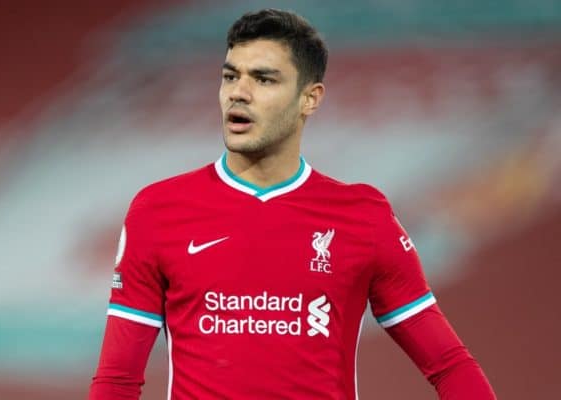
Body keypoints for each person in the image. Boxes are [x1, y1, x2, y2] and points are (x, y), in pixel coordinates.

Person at [89, 8, 496, 400]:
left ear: (310, 98)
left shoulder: (362, 216)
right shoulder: (159, 210)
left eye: (264, 80)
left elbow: (449, 366)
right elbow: (118, 381)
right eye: (230, 76)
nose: (238, 94)